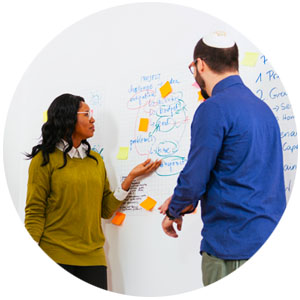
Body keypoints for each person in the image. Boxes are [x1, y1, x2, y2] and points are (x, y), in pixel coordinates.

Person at [159, 31, 286, 286]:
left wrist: (174, 211)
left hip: (232, 248)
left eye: (193, 67)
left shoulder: (212, 108)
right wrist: (185, 201)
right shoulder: (264, 111)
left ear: (200, 65)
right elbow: (239, 172)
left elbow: (195, 177)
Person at [25, 93, 161, 290]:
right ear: (68, 118)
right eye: (86, 114)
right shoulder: (44, 160)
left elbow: (105, 209)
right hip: (54, 255)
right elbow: (34, 212)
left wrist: (130, 178)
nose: (92, 119)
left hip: (93, 257)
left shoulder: (95, 160)